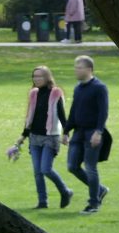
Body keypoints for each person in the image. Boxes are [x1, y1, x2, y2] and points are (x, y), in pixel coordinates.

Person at [15, 66, 74, 209]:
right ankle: (42, 202)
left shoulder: (55, 93)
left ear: (47, 77)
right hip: (34, 137)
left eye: (40, 76)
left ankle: (65, 191)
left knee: (45, 169)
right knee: (37, 172)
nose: (36, 79)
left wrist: (66, 134)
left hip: (50, 138)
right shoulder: (33, 93)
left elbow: (62, 115)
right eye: (34, 76)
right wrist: (23, 136)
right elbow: (30, 117)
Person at [63, 55, 110, 215]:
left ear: (89, 69)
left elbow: (103, 112)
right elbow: (74, 110)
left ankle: (93, 203)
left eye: (79, 67)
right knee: (72, 166)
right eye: (75, 67)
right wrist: (66, 131)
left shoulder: (99, 87)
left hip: (92, 132)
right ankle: (100, 189)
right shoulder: (78, 88)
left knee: (90, 167)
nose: (76, 70)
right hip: (78, 132)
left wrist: (98, 132)